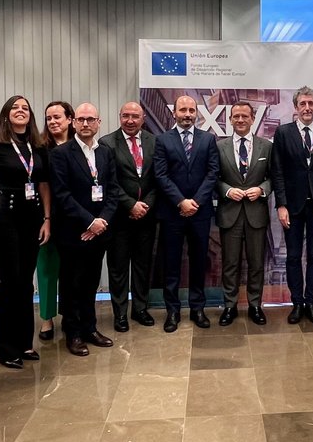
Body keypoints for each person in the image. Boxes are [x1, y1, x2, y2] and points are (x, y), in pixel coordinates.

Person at [0, 95, 51, 369]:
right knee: (10, 281)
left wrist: (47, 219)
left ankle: (25, 342)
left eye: (25, 108)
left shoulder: (38, 147)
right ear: (6, 115)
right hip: (4, 219)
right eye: (15, 108)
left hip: (32, 218)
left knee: (26, 282)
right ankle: (6, 348)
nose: (21, 111)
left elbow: (44, 183)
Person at [50, 102, 118, 356]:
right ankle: (73, 332)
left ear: (99, 123)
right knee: (71, 283)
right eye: (81, 119)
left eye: (91, 119)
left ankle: (90, 328)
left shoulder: (105, 153)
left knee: (90, 282)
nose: (86, 124)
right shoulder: (61, 154)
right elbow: (62, 195)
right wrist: (89, 222)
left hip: (100, 232)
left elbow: (112, 191)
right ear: (73, 122)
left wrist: (101, 223)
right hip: (73, 232)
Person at [270, 86, 313, 325]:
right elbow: (277, 172)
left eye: (311, 103)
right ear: (296, 107)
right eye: (303, 104)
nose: (307, 108)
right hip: (293, 206)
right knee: (292, 257)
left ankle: (312, 302)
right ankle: (297, 303)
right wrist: (281, 204)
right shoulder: (283, 133)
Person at [153, 95, 220, 332]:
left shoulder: (208, 140)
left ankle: (197, 308)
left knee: (199, 262)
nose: (188, 114)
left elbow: (213, 173)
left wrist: (196, 202)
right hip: (172, 212)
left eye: (192, 110)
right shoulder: (162, 140)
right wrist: (181, 201)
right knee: (171, 264)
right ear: (174, 113)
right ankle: (172, 311)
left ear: (197, 113)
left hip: (200, 213)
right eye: (183, 110)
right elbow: (160, 175)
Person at [99, 102, 158, 331]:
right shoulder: (107, 143)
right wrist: (130, 205)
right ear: (119, 117)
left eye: (135, 116)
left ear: (143, 118)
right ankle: (120, 314)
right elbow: (108, 181)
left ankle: (140, 309)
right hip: (119, 218)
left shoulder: (154, 141)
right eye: (126, 116)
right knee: (119, 267)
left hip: (147, 216)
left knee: (143, 265)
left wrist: (146, 205)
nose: (130, 120)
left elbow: (158, 178)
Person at [216, 102, 272, 326]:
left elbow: (273, 178)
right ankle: (229, 306)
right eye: (236, 116)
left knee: (256, 263)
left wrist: (262, 190)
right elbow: (213, 178)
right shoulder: (219, 147)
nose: (240, 120)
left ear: (252, 119)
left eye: (244, 116)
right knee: (230, 264)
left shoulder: (266, 146)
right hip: (229, 214)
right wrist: (227, 190)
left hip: (256, 214)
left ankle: (255, 305)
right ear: (230, 119)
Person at [36, 101, 74, 341]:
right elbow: (42, 183)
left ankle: (71, 316)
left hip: (76, 217)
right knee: (47, 269)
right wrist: (46, 218)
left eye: (57, 117)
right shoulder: (40, 149)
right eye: (48, 118)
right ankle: (47, 318)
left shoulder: (81, 146)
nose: (52, 122)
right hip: (47, 216)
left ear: (70, 119)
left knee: (73, 272)